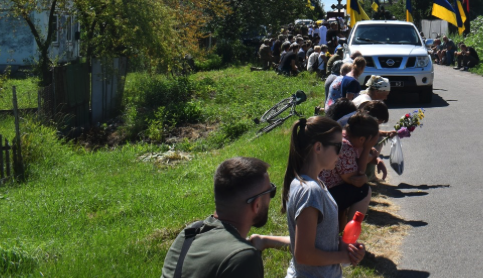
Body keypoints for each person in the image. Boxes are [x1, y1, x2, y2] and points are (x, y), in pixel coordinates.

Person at [161, 157, 285, 278]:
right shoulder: (242, 257)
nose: (270, 198)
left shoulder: (189, 234)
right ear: (256, 204)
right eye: (271, 192)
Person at [282, 117, 365, 277]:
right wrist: (343, 256)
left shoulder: (314, 183)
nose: (340, 154)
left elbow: (319, 240)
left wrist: (344, 246)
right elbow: (304, 254)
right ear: (318, 147)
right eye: (338, 146)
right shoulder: (310, 191)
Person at [319, 113, 379, 229]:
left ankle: (341, 230)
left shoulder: (341, 136)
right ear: (362, 139)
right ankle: (350, 236)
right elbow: (357, 180)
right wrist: (366, 149)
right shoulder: (346, 147)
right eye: (371, 142)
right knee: (364, 191)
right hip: (323, 195)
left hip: (321, 189)